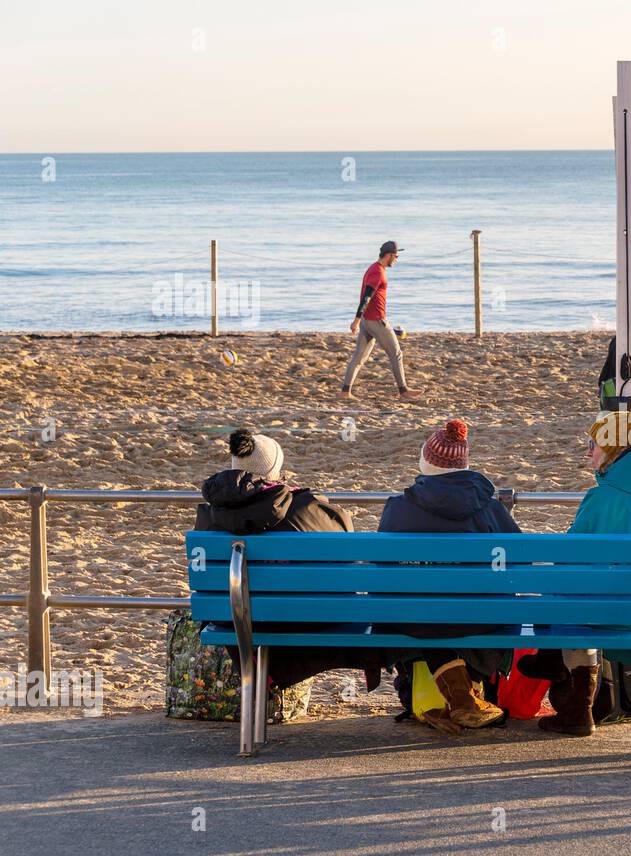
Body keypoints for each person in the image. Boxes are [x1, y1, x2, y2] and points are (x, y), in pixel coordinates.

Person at [517, 399, 631, 736]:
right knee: (583, 593)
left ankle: (576, 707)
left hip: (619, 615)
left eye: (594, 445)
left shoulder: (604, 499)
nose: (588, 453)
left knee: (567, 596)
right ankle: (556, 670)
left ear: (615, 451)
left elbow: (570, 561)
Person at [194, 429, 397, 693]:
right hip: (309, 617)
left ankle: (265, 676)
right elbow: (348, 559)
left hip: (235, 619)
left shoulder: (209, 516)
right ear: (276, 470)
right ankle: (366, 658)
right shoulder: (306, 507)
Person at [375, 419, 521, 732]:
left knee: (423, 608)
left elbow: (381, 569)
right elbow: (519, 567)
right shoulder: (491, 509)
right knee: (473, 608)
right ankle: (465, 697)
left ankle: (456, 698)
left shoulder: (398, 508)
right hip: (481, 618)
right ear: (465, 466)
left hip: (414, 619)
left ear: (426, 462)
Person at [339, 240, 422, 401]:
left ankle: (345, 392)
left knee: (359, 357)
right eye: (396, 256)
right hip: (376, 321)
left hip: (366, 321)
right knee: (396, 354)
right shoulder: (378, 272)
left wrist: (360, 320)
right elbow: (367, 296)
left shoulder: (373, 268)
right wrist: (355, 320)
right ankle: (404, 391)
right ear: (389, 255)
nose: (396, 259)